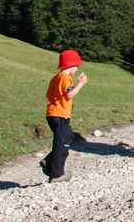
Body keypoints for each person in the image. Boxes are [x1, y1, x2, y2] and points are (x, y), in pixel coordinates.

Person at [40, 49, 88, 183]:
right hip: (60, 115)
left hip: (53, 114)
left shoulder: (56, 78)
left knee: (67, 138)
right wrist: (81, 83)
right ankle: (57, 174)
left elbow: (48, 94)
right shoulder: (66, 78)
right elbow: (69, 95)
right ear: (70, 65)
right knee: (63, 143)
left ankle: (48, 161)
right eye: (77, 66)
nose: (77, 69)